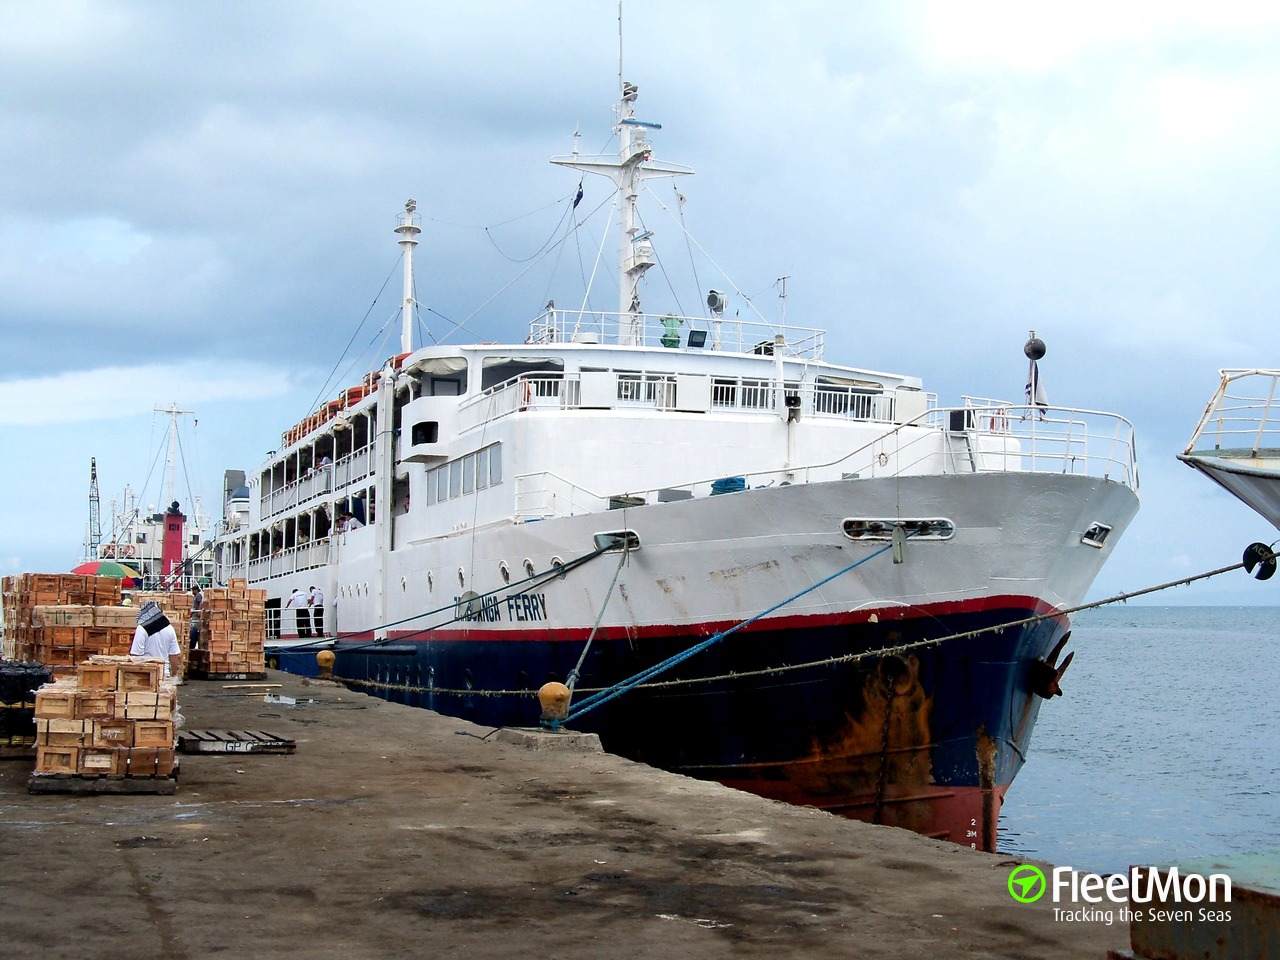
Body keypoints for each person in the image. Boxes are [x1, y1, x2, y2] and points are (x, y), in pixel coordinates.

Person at [130, 601, 182, 680]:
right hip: (164, 675)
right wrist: (174, 676)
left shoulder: (142, 629)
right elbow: (174, 655)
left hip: (146, 676)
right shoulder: (169, 628)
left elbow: (136, 655)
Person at [189, 585, 203, 649]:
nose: (192, 591)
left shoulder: (199, 595)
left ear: (196, 590)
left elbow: (200, 603)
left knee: (195, 628)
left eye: (193, 590)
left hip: (196, 615)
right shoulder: (195, 597)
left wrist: (199, 611)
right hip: (194, 614)